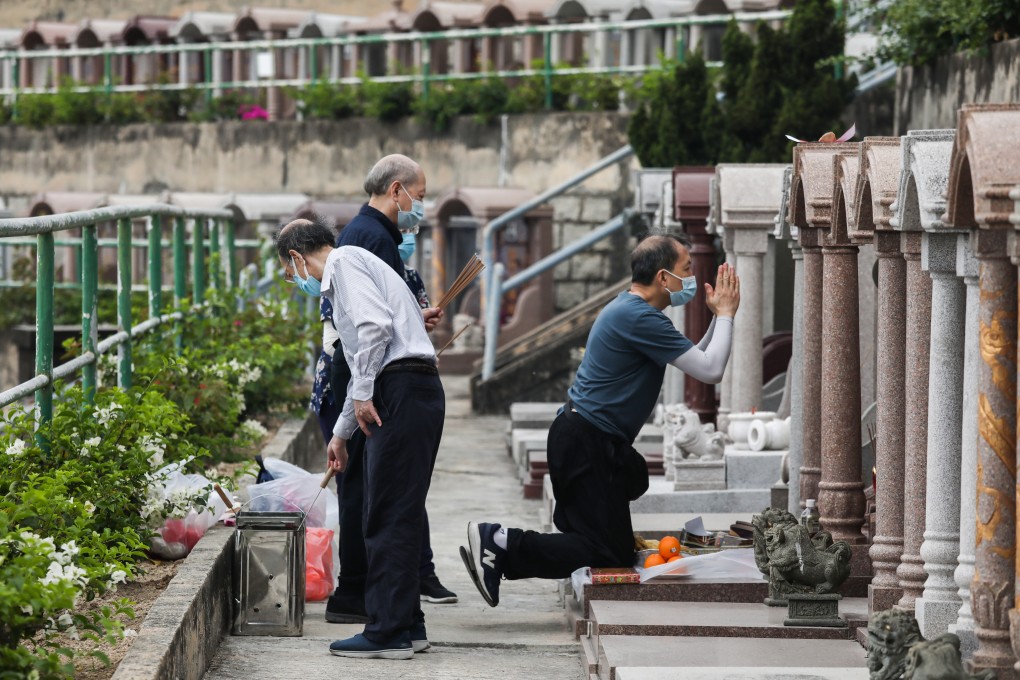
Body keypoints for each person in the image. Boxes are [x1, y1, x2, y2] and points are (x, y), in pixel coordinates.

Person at [460, 234, 741, 606]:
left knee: (624, 510)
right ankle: (500, 542)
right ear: (662, 277)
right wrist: (724, 316)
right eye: (686, 270)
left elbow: (696, 357)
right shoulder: (637, 316)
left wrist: (718, 318)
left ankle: (513, 544)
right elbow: (711, 369)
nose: (691, 278)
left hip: (589, 439)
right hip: (587, 441)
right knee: (607, 553)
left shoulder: (637, 312)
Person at [275, 218, 445, 660]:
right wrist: (341, 434)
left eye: (290, 273)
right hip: (406, 388)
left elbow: (374, 331)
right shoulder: (351, 269)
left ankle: (387, 631)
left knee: (386, 513)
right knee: (395, 511)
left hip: (402, 388)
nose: (297, 282)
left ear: (297, 256)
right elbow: (359, 362)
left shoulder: (345, 263)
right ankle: (408, 624)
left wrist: (367, 392)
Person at [325, 155, 458, 626]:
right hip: (381, 378)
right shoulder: (363, 241)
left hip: (388, 377)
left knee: (388, 502)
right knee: (378, 500)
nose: (418, 207)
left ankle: (392, 620)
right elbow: (370, 329)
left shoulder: (366, 241)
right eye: (418, 198)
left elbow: (377, 322)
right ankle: (374, 607)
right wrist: (356, 405)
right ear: (396, 189)